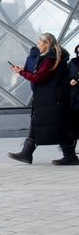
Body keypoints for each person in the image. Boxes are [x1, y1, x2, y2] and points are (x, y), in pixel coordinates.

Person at [8, 32, 77, 165]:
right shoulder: (52, 58)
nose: (38, 45)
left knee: (57, 126)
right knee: (41, 123)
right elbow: (39, 74)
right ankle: (27, 153)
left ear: (47, 43)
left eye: (40, 42)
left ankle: (70, 156)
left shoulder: (50, 59)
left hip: (51, 99)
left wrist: (22, 73)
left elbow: (39, 78)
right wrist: (24, 70)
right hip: (50, 99)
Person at [68, 44, 79, 159]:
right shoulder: (72, 63)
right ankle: (72, 149)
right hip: (74, 97)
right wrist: (70, 80)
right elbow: (66, 76)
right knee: (74, 123)